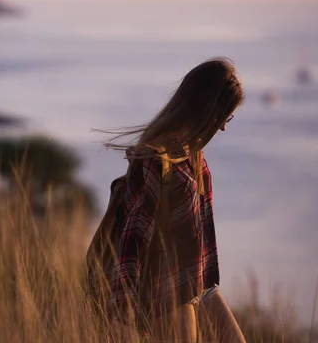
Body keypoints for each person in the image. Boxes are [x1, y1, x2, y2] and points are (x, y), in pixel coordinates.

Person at [97, 58, 247, 342]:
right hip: (167, 294)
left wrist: (206, 286)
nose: (224, 128)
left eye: (230, 118)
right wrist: (122, 308)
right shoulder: (158, 157)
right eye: (224, 117)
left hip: (200, 286)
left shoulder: (195, 156)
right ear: (207, 109)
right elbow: (133, 236)